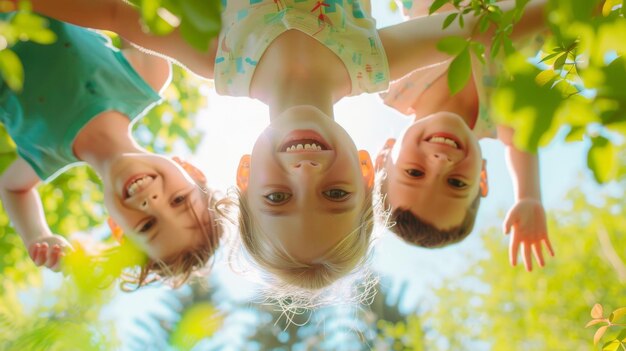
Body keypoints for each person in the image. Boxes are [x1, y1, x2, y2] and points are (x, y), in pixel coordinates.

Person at [24, 0, 547, 289]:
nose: (306, 172)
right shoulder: (376, 63)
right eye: (336, 195)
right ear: (366, 173)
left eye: (278, 199)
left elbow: (118, 17)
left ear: (246, 178)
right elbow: (486, 26)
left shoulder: (220, 64)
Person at [0, 13, 223, 288]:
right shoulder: (147, 76)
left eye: (147, 227)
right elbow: (133, 10)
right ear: (190, 170)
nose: (151, 202)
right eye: (178, 201)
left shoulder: (45, 154)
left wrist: (38, 236)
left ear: (118, 228)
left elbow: (13, 188)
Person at [375, 0, 553, 271]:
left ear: (383, 156)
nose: (440, 161)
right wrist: (529, 197)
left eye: (414, 173)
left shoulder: (391, 79)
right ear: (481, 177)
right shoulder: (498, 114)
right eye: (456, 183)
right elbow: (520, 141)